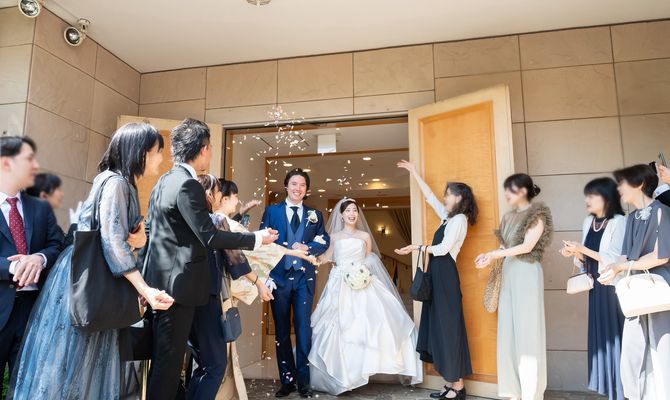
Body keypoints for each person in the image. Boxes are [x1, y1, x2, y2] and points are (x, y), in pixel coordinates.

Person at [7, 124, 175, 399]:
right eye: (157, 151)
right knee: (75, 371)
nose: (160, 158)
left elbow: (118, 237)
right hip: (90, 280)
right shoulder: (116, 183)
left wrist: (139, 239)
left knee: (76, 370)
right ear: (140, 152)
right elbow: (112, 242)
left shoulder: (120, 183)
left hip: (91, 278)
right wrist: (145, 289)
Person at [143, 118, 278, 400]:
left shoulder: (162, 183)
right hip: (180, 291)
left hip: (177, 289)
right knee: (167, 371)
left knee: (178, 366)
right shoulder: (187, 185)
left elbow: (151, 235)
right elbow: (209, 236)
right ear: (203, 149)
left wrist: (146, 285)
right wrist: (256, 238)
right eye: (211, 147)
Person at [308, 197, 422, 395]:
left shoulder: (365, 236)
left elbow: (369, 260)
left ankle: (363, 369)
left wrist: (361, 273)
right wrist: (311, 255)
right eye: (348, 211)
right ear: (341, 215)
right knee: (339, 327)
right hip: (339, 285)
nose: (352, 214)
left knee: (373, 325)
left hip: (363, 283)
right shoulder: (333, 237)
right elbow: (326, 258)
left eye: (354, 210)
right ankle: (343, 376)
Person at [187, 175, 276, 400]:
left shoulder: (186, 220)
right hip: (209, 299)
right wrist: (259, 283)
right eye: (218, 191)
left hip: (185, 299)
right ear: (210, 195)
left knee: (202, 364)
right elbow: (236, 259)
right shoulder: (216, 221)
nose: (221, 195)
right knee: (216, 366)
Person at [396, 160, 476, 400]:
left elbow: (442, 249)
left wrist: (417, 247)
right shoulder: (448, 218)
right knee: (440, 328)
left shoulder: (459, 220)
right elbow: (429, 197)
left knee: (448, 328)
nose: (444, 197)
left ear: (458, 198)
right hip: (438, 273)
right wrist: (414, 172)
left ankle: (458, 386)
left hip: (446, 275)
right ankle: (450, 383)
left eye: (448, 194)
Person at [475, 173, 553, 400]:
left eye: (512, 189)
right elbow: (503, 248)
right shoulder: (507, 217)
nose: (507, 194)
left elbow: (527, 247)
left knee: (528, 331)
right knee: (507, 332)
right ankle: (512, 391)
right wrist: (488, 257)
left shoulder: (538, 214)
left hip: (526, 272)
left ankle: (531, 393)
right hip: (508, 271)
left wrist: (494, 254)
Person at [598, 164, 670, 400]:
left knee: (661, 346)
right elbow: (624, 256)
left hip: (659, 286)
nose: (618, 188)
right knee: (634, 348)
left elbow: (661, 256)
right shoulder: (631, 218)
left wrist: (621, 267)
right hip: (636, 289)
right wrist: (612, 269)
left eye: (622, 183)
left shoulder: (662, 211)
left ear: (639, 184)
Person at [260, 168, 330, 398]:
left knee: (303, 330)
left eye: (302, 185)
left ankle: (304, 383)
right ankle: (287, 381)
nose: (298, 188)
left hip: (303, 280)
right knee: (281, 332)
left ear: (306, 189)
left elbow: (324, 239)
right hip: (278, 278)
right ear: (286, 186)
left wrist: (308, 247)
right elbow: (261, 241)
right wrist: (265, 275)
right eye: (294, 184)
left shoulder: (315, 214)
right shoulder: (272, 211)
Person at [0, 136, 61, 392]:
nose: (36, 165)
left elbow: (58, 245)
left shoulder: (40, 208)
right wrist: (12, 267)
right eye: (29, 159)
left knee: (26, 389)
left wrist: (39, 258)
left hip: (33, 313)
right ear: (6, 163)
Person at [559, 178, 625, 400]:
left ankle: (622, 392)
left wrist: (583, 249)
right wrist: (574, 252)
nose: (588, 200)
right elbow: (585, 259)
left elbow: (615, 257)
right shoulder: (588, 221)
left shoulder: (619, 221)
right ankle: (610, 392)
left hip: (613, 287)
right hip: (596, 287)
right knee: (602, 340)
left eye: (593, 195)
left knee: (616, 338)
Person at [26, 172, 78, 247]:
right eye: (58, 189)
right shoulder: (41, 223)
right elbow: (64, 249)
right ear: (43, 196)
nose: (62, 194)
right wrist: (75, 225)